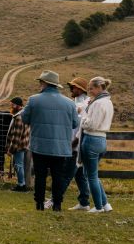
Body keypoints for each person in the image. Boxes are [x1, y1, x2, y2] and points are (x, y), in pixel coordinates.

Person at [21, 70, 78, 211]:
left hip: (40, 146)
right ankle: (57, 204)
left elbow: (24, 119)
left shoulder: (34, 100)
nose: (40, 84)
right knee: (57, 176)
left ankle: (39, 204)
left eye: (41, 82)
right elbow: (75, 123)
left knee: (40, 176)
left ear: (45, 83)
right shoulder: (70, 103)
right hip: (61, 147)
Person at [80, 76, 114, 213]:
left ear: (100, 87)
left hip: (92, 139)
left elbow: (92, 124)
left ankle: (99, 207)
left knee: (90, 175)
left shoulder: (98, 104)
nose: (89, 91)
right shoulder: (107, 102)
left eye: (91, 88)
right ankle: (105, 204)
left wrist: (82, 117)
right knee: (93, 174)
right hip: (102, 140)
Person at [57, 77, 92, 211]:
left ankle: (55, 199)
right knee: (80, 175)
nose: (71, 89)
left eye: (73, 87)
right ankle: (84, 202)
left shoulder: (83, 105)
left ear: (79, 89)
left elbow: (79, 127)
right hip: (76, 144)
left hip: (75, 145)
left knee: (66, 174)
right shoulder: (77, 103)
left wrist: (73, 143)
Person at [5, 97, 30, 192]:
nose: (11, 106)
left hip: (19, 146)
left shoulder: (19, 117)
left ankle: (21, 185)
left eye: (12, 104)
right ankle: (22, 184)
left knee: (18, 165)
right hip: (23, 144)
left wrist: (10, 150)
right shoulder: (23, 114)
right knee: (19, 165)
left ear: (17, 105)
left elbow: (16, 136)